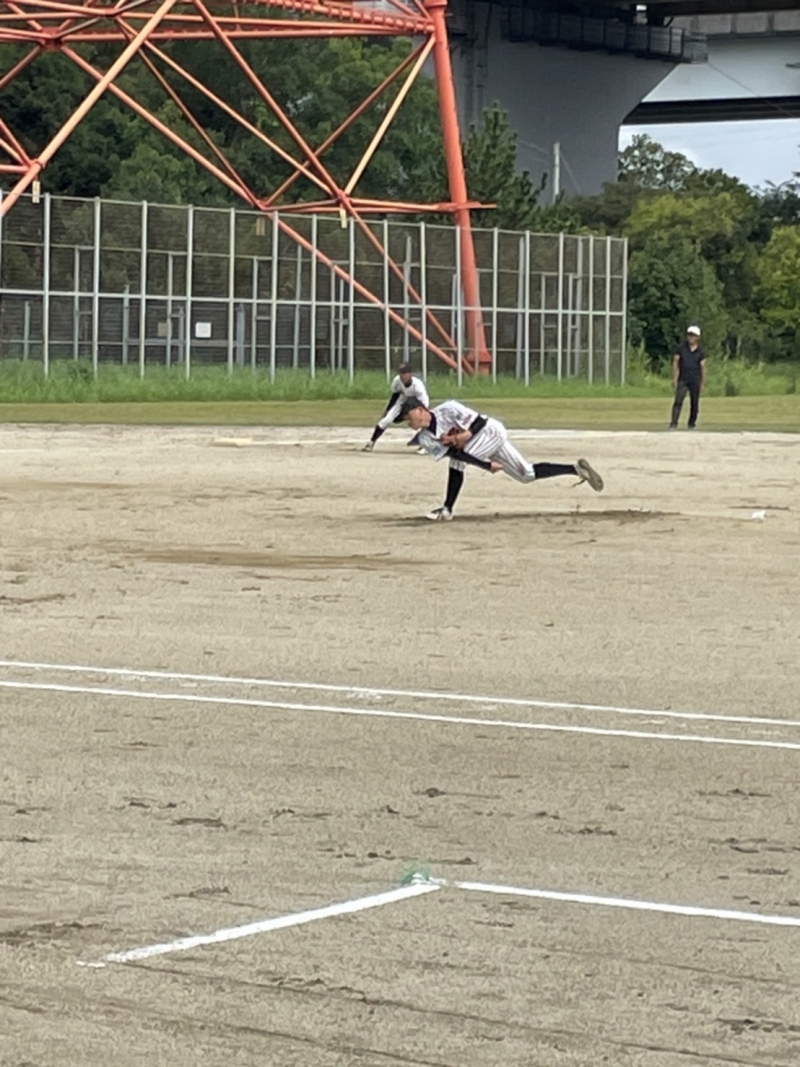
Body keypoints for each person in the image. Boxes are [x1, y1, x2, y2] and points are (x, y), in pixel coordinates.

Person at [406, 398, 604, 521]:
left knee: (457, 465)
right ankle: (576, 469)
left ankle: (447, 509)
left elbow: (479, 421)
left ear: (421, 409)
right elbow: (457, 454)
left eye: (409, 416)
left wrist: (466, 436)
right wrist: (486, 464)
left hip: (490, 432)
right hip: (481, 446)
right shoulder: (425, 438)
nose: (408, 421)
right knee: (527, 474)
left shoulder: (448, 408)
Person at [362, 363, 429, 451]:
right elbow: (395, 396)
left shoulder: (418, 385)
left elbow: (424, 403)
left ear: (410, 374)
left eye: (405, 373)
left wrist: (420, 416)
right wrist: (387, 410)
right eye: (401, 373)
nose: (402, 376)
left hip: (417, 402)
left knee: (422, 422)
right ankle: (371, 443)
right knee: (386, 420)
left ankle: (425, 445)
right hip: (403, 399)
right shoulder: (397, 381)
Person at [669, 326, 707, 429]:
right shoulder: (681, 348)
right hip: (683, 379)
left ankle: (691, 423)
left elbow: (703, 367)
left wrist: (703, 382)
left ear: (698, 337)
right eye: (689, 335)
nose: (691, 337)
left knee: (694, 403)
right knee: (678, 401)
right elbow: (676, 362)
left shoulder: (700, 351)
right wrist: (674, 378)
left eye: (693, 335)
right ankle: (673, 423)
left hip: (695, 379)